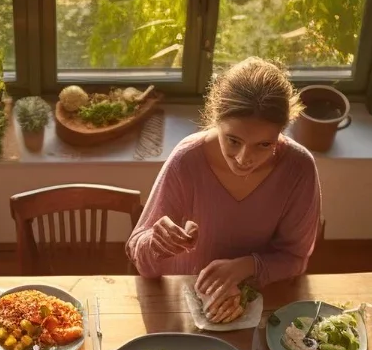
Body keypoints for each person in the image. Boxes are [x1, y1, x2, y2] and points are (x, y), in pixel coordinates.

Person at [126, 57, 321, 321]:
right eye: (233, 140)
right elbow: (141, 259)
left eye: (264, 145)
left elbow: (296, 258)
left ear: (281, 132)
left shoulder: (299, 169)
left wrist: (246, 266)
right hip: (183, 306)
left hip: (259, 307)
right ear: (216, 120)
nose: (244, 159)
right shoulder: (187, 160)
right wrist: (157, 244)